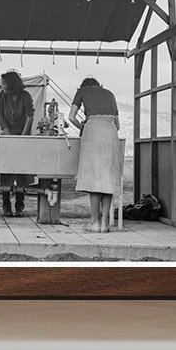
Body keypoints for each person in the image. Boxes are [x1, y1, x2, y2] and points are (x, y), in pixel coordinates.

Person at [68, 76, 121, 233]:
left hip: (93, 131)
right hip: (110, 133)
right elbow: (117, 125)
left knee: (94, 180)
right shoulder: (110, 94)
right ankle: (105, 223)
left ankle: (94, 222)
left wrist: (83, 125)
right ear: (99, 85)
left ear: (84, 86)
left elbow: (71, 117)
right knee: (107, 180)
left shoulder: (81, 91)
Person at [0, 71, 34, 217]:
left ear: (11, 84)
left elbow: (29, 117)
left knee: (21, 172)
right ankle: (6, 205)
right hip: (8, 137)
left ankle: (20, 206)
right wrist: (8, 136)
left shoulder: (25, 96)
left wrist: (22, 138)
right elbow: (0, 116)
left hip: (22, 136)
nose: (2, 86)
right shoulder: (2, 95)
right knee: (5, 171)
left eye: (4, 83)